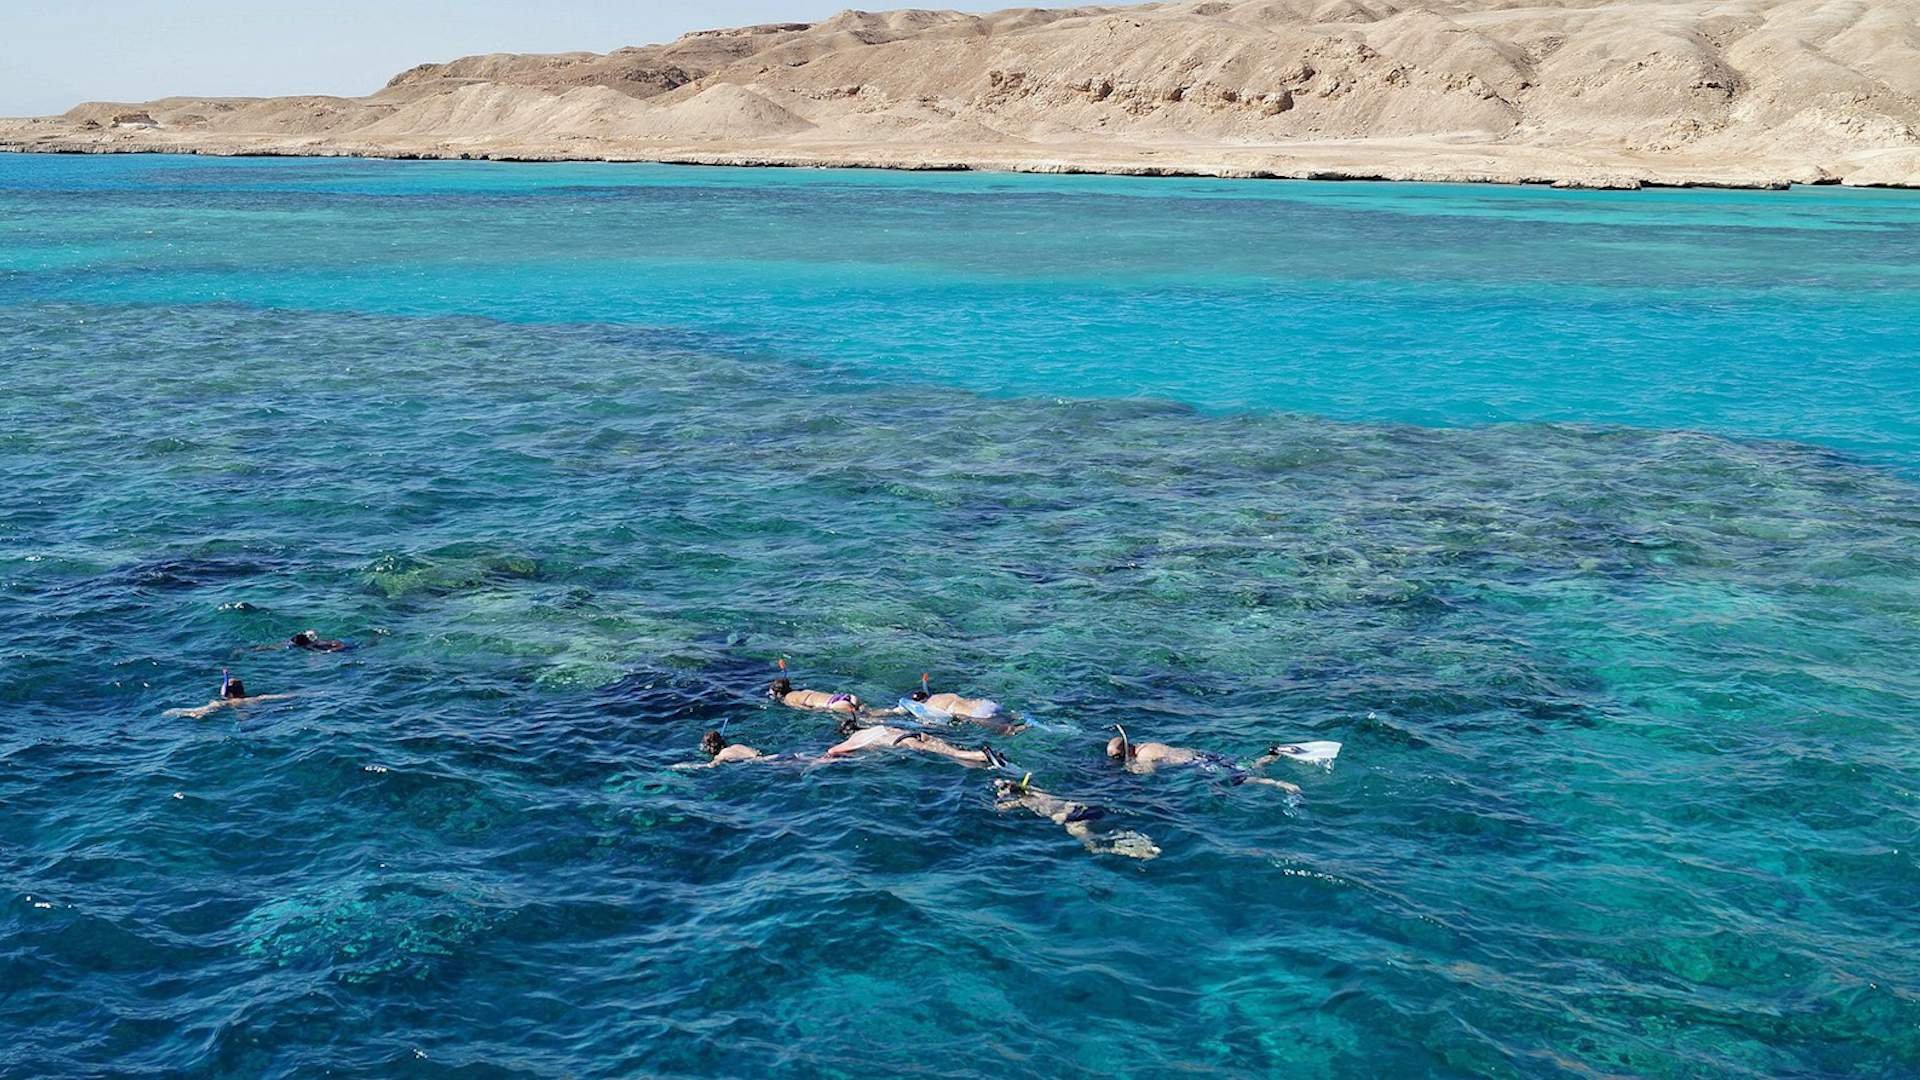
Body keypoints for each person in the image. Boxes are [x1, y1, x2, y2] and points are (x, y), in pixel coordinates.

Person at [1104, 726, 1338, 794]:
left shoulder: (1143, 757)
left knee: (1239, 780)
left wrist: (1130, 770)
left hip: (1199, 765)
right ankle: (1274, 753)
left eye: (1116, 757)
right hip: (1203, 755)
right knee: (1245, 766)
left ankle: (1282, 785)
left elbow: (1148, 775)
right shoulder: (1147, 745)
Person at [992, 775, 1160, 860]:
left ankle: (1136, 851)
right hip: (1080, 807)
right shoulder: (1036, 790)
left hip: (1070, 818)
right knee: (1107, 829)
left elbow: (1001, 807)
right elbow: (1021, 788)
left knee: (1092, 844)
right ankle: (1134, 838)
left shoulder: (1022, 801)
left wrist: (998, 799)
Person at [824, 715, 1009, 769]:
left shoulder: (856, 738)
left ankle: (983, 756)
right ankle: (984, 760)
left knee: (953, 755)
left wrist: (815, 761)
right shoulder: (875, 727)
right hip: (917, 735)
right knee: (952, 751)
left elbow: (834, 751)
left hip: (905, 742)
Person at [903, 674, 1025, 735]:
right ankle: (1017, 717)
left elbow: (938, 721)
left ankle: (1015, 729)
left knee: (1000, 728)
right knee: (1005, 716)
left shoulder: (929, 706)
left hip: (976, 714)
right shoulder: (942, 695)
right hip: (984, 703)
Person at [163, 672, 294, 719]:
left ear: (229, 694)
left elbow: (202, 710)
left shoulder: (227, 703)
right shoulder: (258, 698)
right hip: (259, 713)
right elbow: (283, 697)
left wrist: (179, 712)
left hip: (245, 718)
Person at [768, 660, 863, 714]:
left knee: (866, 720)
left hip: (835, 704)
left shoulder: (788, 700)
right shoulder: (804, 690)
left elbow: (808, 709)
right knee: (870, 713)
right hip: (846, 697)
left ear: (778, 693)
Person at [673, 730, 776, 769]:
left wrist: (683, 766)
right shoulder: (737, 745)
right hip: (768, 758)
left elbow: (710, 766)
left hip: (764, 764)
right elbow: (756, 753)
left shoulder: (721, 756)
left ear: (710, 746)